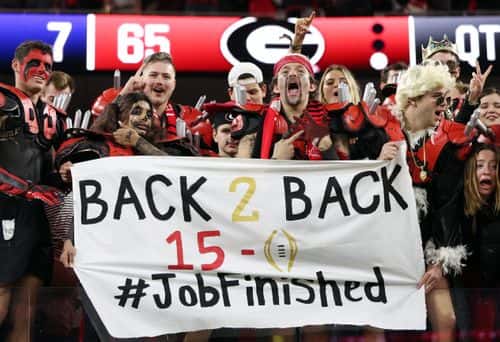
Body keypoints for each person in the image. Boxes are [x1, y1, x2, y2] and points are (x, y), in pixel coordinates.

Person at [395, 62, 472, 341]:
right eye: (437, 97)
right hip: (383, 250)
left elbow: (446, 207)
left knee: (446, 318)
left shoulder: (443, 145)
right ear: (414, 98)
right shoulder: (381, 132)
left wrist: (439, 261)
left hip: (424, 247)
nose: (445, 103)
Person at [0, 40, 66, 342]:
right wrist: (26, 189)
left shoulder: (54, 115)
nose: (42, 70)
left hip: (37, 216)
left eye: (48, 66)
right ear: (16, 65)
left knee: (26, 309)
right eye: (35, 63)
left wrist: (62, 175)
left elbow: (50, 172)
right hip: (5, 209)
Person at [461, 144, 500, 334]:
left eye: (493, 166)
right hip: (467, 295)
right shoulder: (459, 210)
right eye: (480, 165)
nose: (488, 171)